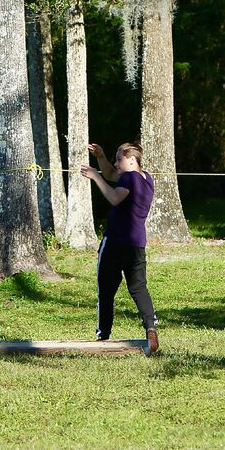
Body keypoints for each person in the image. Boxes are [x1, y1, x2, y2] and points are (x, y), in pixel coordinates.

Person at [80, 142, 159, 354]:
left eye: (119, 160)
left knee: (106, 291)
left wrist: (95, 177)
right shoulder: (146, 178)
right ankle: (151, 328)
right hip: (136, 244)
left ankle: (103, 335)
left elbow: (115, 198)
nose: (116, 164)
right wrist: (101, 156)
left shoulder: (128, 177)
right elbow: (111, 173)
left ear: (132, 160)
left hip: (115, 242)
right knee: (138, 288)